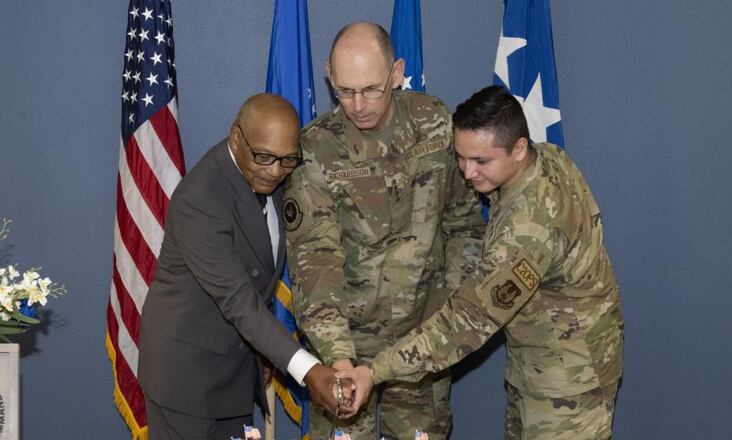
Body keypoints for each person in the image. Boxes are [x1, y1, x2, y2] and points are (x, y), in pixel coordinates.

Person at [339, 85, 625, 440]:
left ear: (519, 148)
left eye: (481, 161)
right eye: (460, 157)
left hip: (567, 385)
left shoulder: (528, 228)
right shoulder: (548, 156)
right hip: (544, 365)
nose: (467, 172)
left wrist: (374, 370)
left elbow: (465, 323)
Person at [283, 22, 486, 439]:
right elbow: (315, 264)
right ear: (328, 75)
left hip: (421, 347)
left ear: (396, 73)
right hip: (346, 347)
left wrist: (444, 313)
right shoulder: (316, 150)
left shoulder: (434, 124)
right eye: (344, 90)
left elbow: (464, 225)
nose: (358, 105)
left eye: (372, 89)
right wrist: (339, 360)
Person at [138, 94, 351, 440]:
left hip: (235, 371)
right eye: (264, 157)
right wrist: (309, 371)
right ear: (236, 137)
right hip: (185, 378)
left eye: (286, 160)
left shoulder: (276, 178)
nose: (275, 171)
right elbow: (237, 299)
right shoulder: (201, 198)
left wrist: (264, 351)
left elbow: (262, 275)